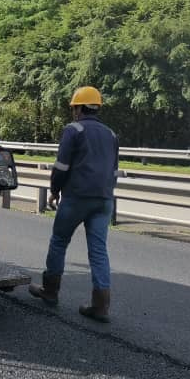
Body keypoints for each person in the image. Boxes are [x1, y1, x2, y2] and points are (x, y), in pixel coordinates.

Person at [29, 86, 119, 322]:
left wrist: (54, 191)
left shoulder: (74, 130)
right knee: (99, 251)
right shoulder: (111, 134)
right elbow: (114, 171)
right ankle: (101, 306)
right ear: (97, 107)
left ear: (79, 108)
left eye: (73, 108)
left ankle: (50, 291)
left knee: (59, 240)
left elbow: (61, 167)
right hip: (104, 200)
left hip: (77, 197)